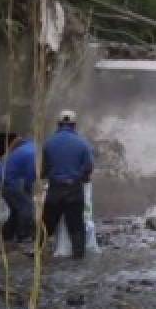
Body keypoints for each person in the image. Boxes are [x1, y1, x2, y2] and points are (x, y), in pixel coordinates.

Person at [41, 110, 95, 259]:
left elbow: (44, 170)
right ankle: (78, 256)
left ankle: (38, 251)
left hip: (55, 189)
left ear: (58, 124)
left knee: (47, 223)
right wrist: (81, 177)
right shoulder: (83, 144)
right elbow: (89, 167)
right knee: (76, 225)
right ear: (74, 125)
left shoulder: (49, 143)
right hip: (74, 189)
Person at [0, 135, 37, 242]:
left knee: (17, 208)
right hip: (8, 180)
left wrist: (7, 153)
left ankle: (7, 234)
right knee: (27, 207)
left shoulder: (30, 145)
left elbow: (19, 138)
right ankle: (23, 235)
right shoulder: (34, 155)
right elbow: (30, 178)